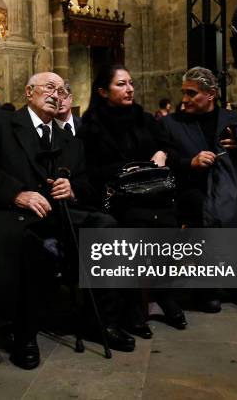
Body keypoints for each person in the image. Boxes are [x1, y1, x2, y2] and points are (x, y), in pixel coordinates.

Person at [0, 71, 116, 370]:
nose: (56, 94)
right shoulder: (0, 123)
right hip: (10, 213)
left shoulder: (66, 138)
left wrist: (72, 189)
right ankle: (25, 332)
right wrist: (17, 194)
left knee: (106, 227)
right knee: (26, 242)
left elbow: (85, 182)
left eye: (61, 89)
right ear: (29, 92)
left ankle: (99, 321)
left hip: (56, 212)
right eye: (48, 87)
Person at [77, 64, 187, 342]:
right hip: (118, 196)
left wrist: (162, 152)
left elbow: (169, 147)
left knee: (169, 222)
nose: (130, 89)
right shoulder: (91, 125)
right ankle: (133, 308)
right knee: (134, 227)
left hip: (153, 193)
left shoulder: (144, 118)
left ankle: (164, 293)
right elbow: (89, 170)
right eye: (121, 84)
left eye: (131, 83)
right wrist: (126, 170)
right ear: (103, 91)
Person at [162, 67, 237, 312]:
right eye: (183, 93)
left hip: (230, 189)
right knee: (204, 213)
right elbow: (164, 159)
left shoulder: (236, 120)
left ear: (211, 94)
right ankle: (206, 287)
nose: (184, 99)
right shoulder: (172, 123)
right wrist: (189, 162)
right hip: (190, 189)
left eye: (192, 93)